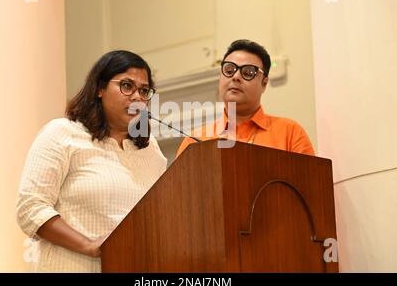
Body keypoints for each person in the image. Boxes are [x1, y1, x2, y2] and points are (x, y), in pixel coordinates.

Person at [16, 50, 167, 272]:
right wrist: (89, 246)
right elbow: (30, 208)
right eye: (127, 85)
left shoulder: (151, 150)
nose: (137, 97)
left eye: (144, 91)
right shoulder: (62, 133)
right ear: (99, 88)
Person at [177, 39, 315, 156]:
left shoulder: (289, 133)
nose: (236, 77)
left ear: (264, 84)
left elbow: (311, 185)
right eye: (229, 70)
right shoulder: (195, 141)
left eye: (248, 72)